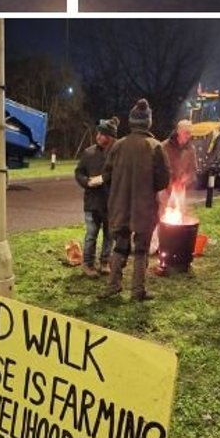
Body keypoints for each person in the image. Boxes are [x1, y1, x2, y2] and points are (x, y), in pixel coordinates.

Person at [102, 99, 171, 300]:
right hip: (145, 207)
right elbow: (163, 180)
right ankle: (137, 291)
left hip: (120, 205)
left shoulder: (118, 146)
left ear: (131, 122)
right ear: (148, 122)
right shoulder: (155, 147)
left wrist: (117, 192)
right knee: (141, 249)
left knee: (120, 246)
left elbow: (106, 175)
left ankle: (113, 285)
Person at [74, 119, 117, 276]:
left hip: (111, 203)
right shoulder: (89, 153)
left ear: (111, 137)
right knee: (91, 235)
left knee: (109, 235)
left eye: (103, 134)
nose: (98, 136)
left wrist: (106, 178)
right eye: (98, 133)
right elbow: (78, 172)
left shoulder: (116, 154)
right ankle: (88, 264)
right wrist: (86, 181)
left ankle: (105, 262)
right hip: (92, 203)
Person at [165, 120, 197, 205]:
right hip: (165, 190)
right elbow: (159, 169)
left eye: (190, 133)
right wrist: (170, 183)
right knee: (163, 214)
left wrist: (186, 180)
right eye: (186, 133)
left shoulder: (190, 149)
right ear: (178, 131)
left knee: (178, 213)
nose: (188, 136)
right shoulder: (164, 147)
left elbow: (193, 170)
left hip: (180, 190)